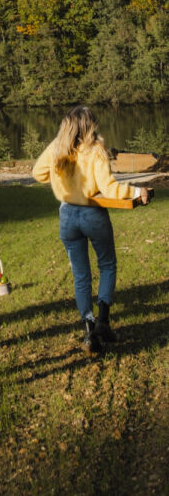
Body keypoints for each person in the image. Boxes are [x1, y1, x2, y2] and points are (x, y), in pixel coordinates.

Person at [32, 105, 152, 354]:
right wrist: (137, 191)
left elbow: (38, 173)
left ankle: (88, 330)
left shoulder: (57, 148)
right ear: (89, 126)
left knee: (81, 275)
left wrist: (59, 177)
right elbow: (109, 188)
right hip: (93, 214)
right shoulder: (96, 150)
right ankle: (103, 321)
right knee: (107, 265)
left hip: (67, 214)